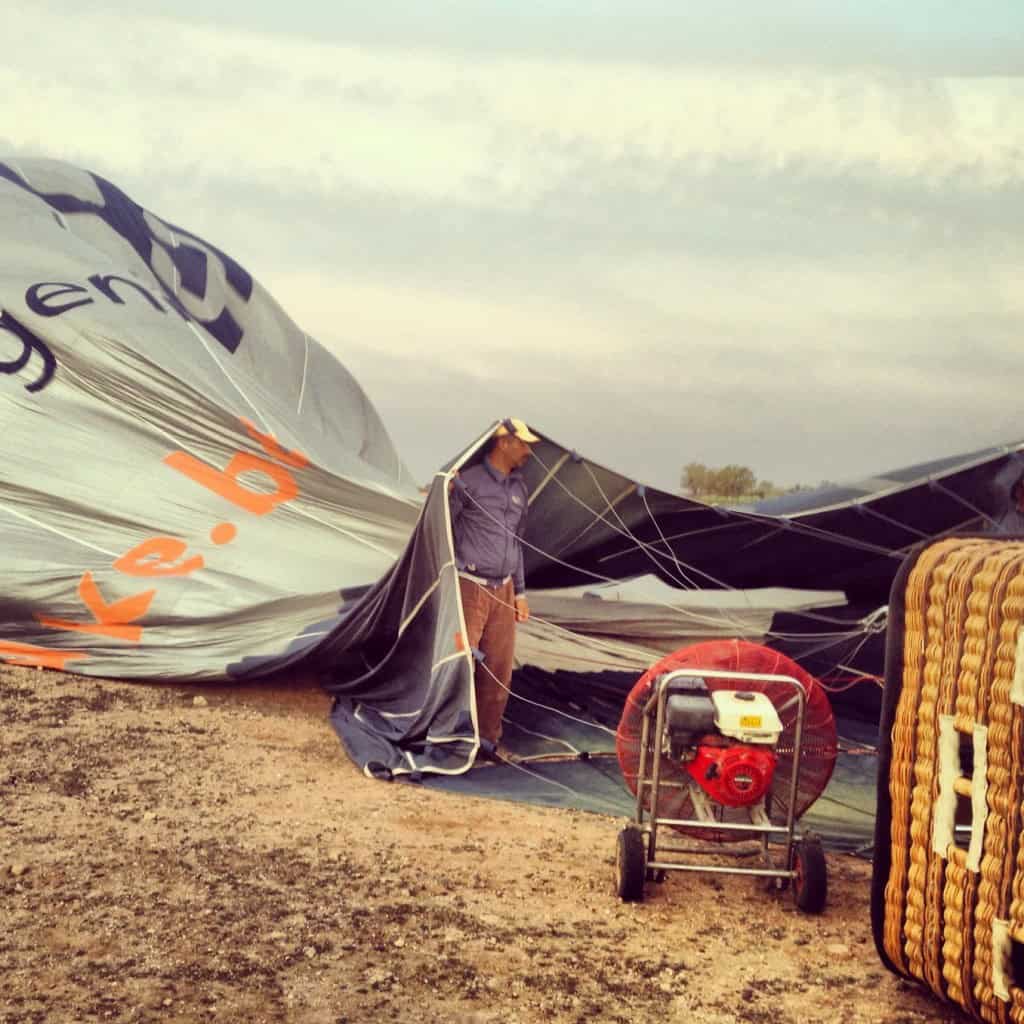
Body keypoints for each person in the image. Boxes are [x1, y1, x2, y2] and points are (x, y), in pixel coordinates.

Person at [449, 417, 539, 761]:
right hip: (470, 588)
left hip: (503, 592)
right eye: (523, 444)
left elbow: (516, 542)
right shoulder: (467, 483)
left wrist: (520, 592)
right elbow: (444, 529)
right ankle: (451, 737)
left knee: (498, 670)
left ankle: (488, 741)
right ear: (503, 442)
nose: (528, 451)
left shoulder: (519, 489)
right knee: (460, 665)